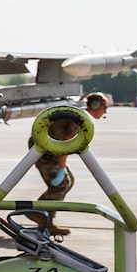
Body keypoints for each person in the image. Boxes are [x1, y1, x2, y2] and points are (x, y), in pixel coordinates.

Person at [30, 94, 108, 237]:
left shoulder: (81, 115)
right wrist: (61, 168)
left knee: (68, 181)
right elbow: (66, 141)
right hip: (45, 151)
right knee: (62, 183)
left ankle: (40, 213)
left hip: (50, 149)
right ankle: (44, 218)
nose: (105, 112)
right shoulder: (81, 118)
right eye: (105, 107)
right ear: (96, 105)